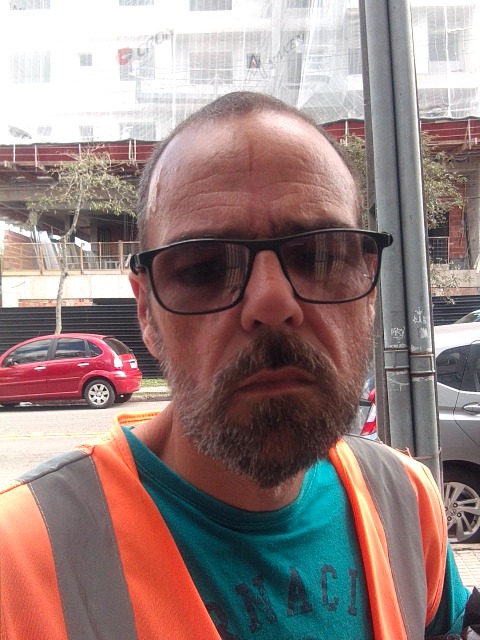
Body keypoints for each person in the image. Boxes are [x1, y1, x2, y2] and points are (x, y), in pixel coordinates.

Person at [1, 91, 478, 640]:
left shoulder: (407, 500)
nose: (272, 303)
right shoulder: (16, 561)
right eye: (205, 267)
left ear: (369, 291)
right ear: (146, 311)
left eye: (320, 256)